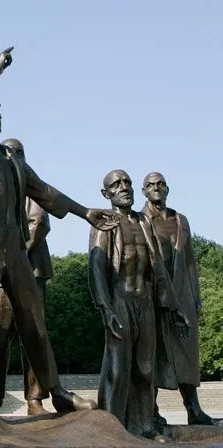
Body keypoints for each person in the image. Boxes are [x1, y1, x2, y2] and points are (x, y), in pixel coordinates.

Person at [0, 47, 112, 411]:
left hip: (15, 248)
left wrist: (85, 212)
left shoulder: (11, 159)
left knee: (34, 323)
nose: (2, 113)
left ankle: (57, 392)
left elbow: (45, 192)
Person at [89, 170, 189, 438]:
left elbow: (159, 269)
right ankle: (112, 429)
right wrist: (105, 307)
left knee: (145, 369)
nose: (124, 187)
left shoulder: (143, 221)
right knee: (118, 368)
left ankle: (144, 427)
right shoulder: (104, 223)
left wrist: (174, 306)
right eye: (116, 184)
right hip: (119, 299)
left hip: (144, 300)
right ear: (106, 193)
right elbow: (96, 268)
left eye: (127, 182)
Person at [141, 172, 220, 427]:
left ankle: (193, 408)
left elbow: (190, 262)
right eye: (151, 185)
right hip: (153, 294)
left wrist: (196, 297)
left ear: (167, 188)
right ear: (144, 191)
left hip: (182, 293)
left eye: (160, 184)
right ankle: (151, 411)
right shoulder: (140, 220)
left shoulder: (180, 219)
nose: (156, 188)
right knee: (153, 352)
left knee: (187, 351)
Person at [0, 138, 53, 415]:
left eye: (19, 152)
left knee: (33, 336)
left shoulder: (32, 188)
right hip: (1, 277)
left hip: (31, 273)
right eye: (9, 152)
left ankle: (35, 399)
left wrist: (15, 258)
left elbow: (39, 224)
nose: (14, 157)